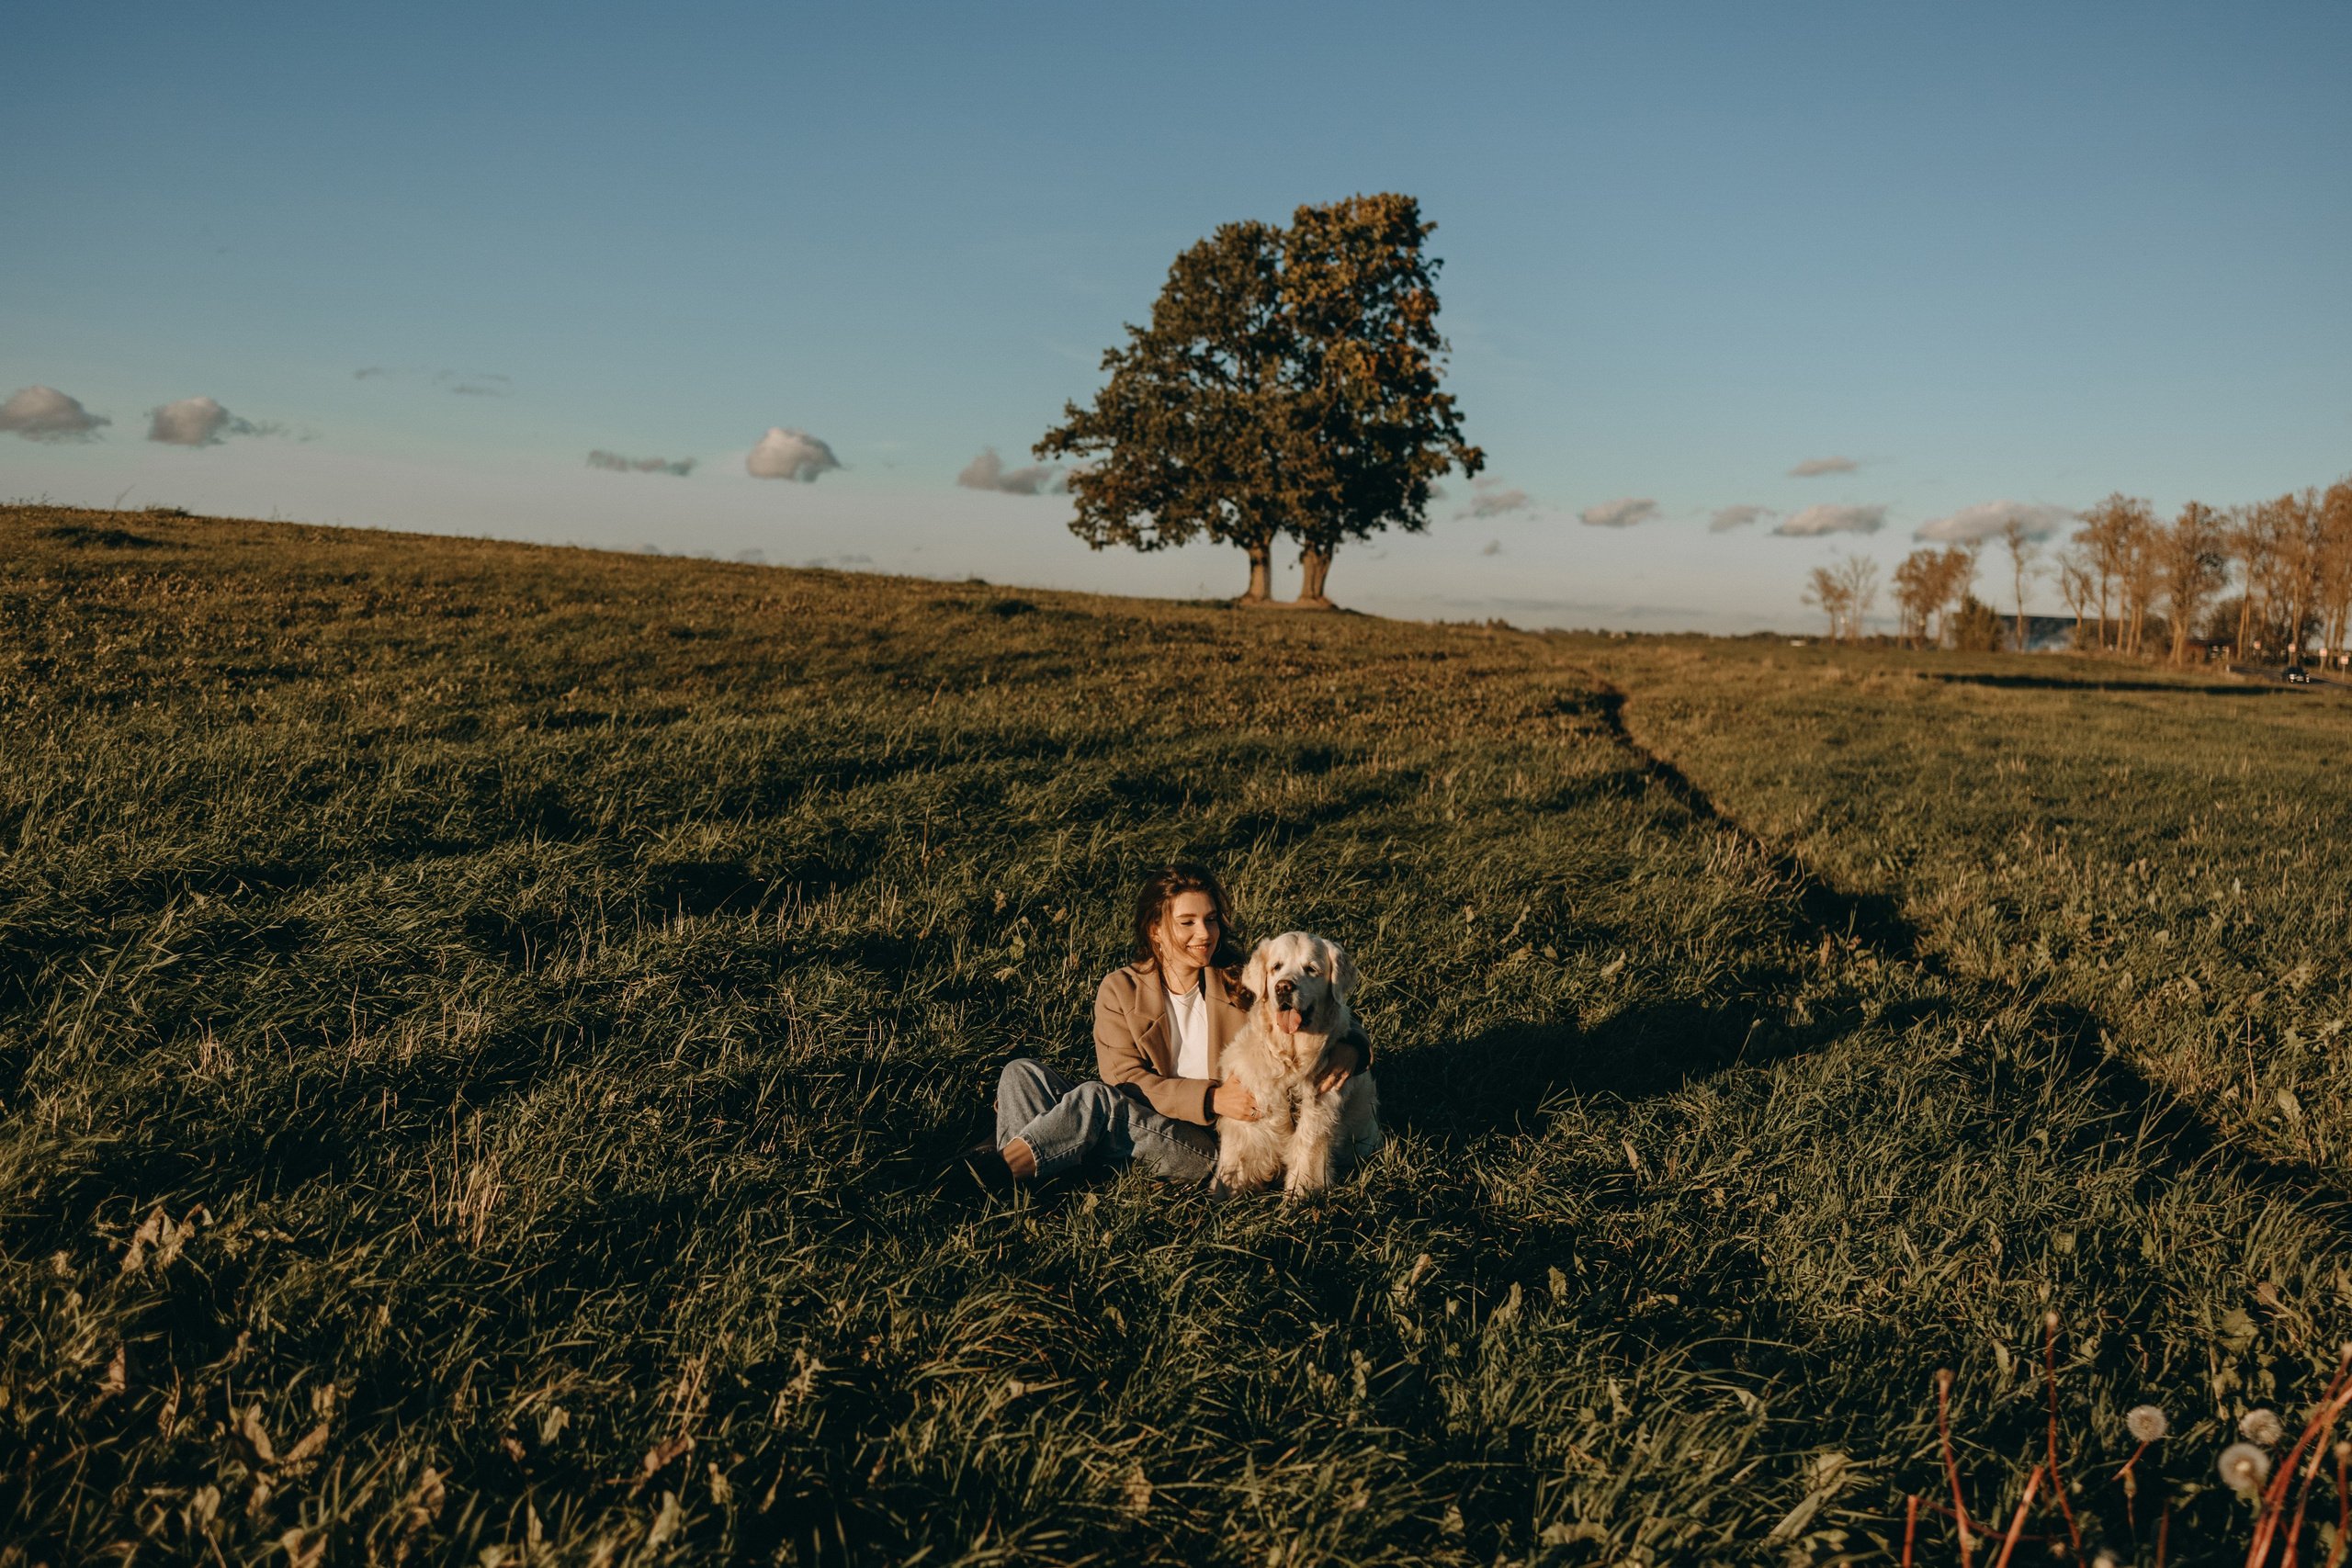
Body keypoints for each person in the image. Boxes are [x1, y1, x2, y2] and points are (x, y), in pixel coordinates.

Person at [965, 863, 1371, 1186]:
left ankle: (995, 1172)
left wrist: (1355, 1047)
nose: (1204, 934)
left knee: (1093, 1101)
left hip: (1205, 1143)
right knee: (1020, 1073)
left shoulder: (1239, 980)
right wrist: (1210, 1096)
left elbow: (1320, 1008)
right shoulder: (1120, 989)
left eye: (1211, 920)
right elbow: (1123, 1078)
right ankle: (1020, 1179)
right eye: (1188, 922)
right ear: (1156, 930)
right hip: (1140, 1114)